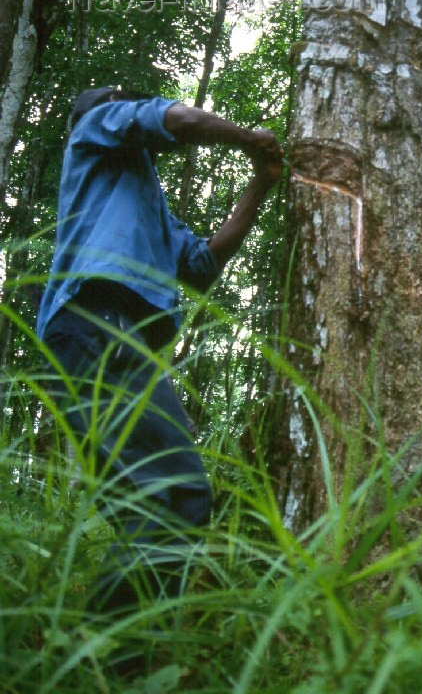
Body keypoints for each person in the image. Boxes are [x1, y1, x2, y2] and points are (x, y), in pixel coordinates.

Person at [37, 87, 283, 615]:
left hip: (132, 343)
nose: (129, 113)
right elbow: (179, 120)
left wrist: (260, 183)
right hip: (91, 322)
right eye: (123, 106)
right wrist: (246, 140)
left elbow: (200, 264)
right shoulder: (93, 129)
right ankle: (99, 653)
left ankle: (137, 648)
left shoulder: (150, 206)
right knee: (149, 498)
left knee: (187, 494)